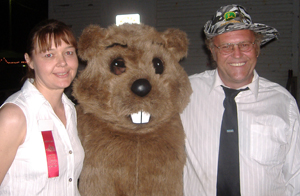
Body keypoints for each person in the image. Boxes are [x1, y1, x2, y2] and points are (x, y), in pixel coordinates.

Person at [181, 4, 300, 196]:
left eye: (245, 44)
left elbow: (296, 176)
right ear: (213, 51)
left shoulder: (283, 103)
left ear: (256, 47)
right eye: (226, 46)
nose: (237, 54)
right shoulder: (185, 93)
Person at [0, 19, 84, 195]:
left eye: (68, 52)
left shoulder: (70, 110)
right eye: (49, 55)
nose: (62, 62)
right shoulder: (15, 116)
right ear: (29, 61)